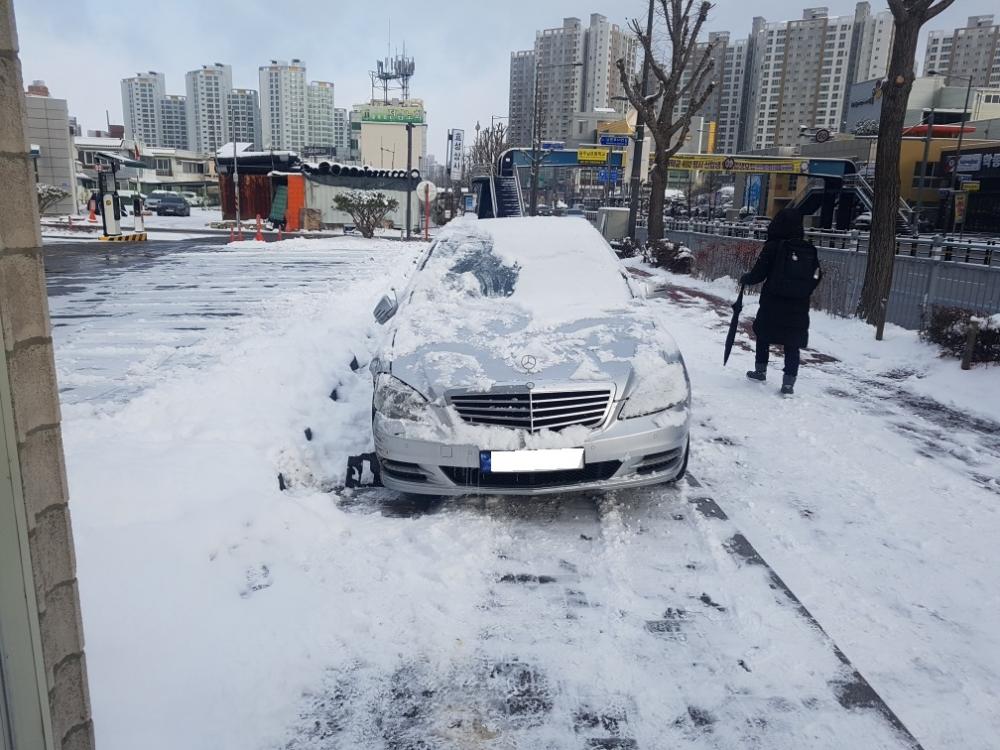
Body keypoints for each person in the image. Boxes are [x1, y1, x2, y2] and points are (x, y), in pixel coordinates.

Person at [740, 207, 822, 395]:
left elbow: (758, 274)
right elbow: (817, 275)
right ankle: (788, 383)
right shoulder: (807, 249)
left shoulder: (772, 247)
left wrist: (745, 278)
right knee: (793, 342)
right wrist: (803, 290)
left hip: (773, 301)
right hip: (799, 304)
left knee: (764, 334)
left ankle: (760, 371)